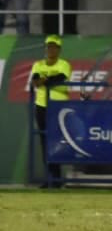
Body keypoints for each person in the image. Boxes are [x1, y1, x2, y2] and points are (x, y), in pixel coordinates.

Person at [30, 34, 71, 188]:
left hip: (58, 107)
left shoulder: (64, 64)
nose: (51, 50)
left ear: (59, 49)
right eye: (48, 47)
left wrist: (44, 80)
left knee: (57, 141)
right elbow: (35, 81)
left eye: (54, 47)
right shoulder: (38, 64)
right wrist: (44, 81)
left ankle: (57, 178)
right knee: (45, 142)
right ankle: (50, 177)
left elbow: (60, 78)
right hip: (41, 106)